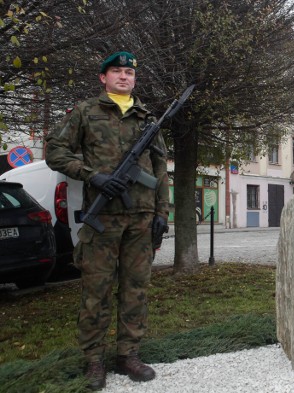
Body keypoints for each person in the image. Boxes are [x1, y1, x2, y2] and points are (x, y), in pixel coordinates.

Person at [45, 51, 170, 390]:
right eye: (116, 71)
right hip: (103, 218)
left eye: (129, 72)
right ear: (103, 78)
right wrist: (92, 176)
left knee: (136, 289)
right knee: (96, 290)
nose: (124, 76)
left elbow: (160, 169)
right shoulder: (86, 112)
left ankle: (128, 354)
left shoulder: (148, 118)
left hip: (141, 219)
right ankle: (94, 360)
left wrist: (162, 212)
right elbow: (54, 151)